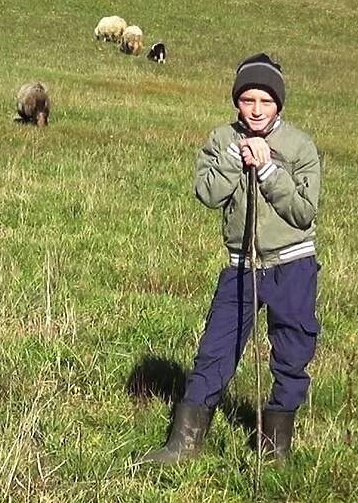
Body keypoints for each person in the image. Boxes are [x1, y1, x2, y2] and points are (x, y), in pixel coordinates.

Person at [144, 53, 322, 464]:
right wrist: (233, 159)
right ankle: (184, 443)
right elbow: (207, 193)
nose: (256, 110)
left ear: (279, 104)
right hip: (241, 266)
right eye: (247, 100)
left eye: (265, 101)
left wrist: (268, 172)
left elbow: (303, 212)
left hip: (292, 265)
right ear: (236, 102)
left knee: (292, 352)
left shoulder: (299, 146)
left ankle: (274, 449)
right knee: (215, 348)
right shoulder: (221, 139)